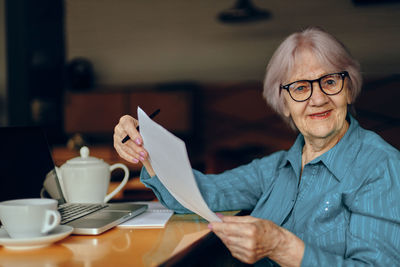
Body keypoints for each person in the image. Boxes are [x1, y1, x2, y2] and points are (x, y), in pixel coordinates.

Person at [113, 27, 400, 266]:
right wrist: (147, 148)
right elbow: (197, 195)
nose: (318, 98)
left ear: (348, 89)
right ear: (284, 103)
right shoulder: (278, 168)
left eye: (329, 81)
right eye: (300, 87)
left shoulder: (380, 167)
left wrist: (281, 245)